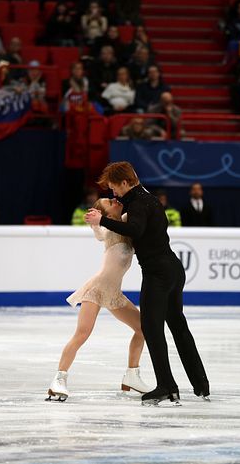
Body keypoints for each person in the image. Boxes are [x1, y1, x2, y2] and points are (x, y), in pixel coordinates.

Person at [84, 163, 209, 406]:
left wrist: (102, 220)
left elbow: (135, 229)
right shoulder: (147, 198)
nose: (113, 194)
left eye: (114, 188)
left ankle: (166, 387)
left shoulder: (139, 202)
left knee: (151, 328)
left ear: (124, 182)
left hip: (158, 273)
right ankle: (201, 383)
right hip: (173, 268)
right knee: (178, 326)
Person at [48, 196, 152, 402]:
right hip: (96, 290)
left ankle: (132, 375)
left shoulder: (126, 222)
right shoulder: (110, 229)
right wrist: (96, 224)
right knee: (82, 334)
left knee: (143, 328)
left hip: (113, 293)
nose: (115, 200)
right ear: (106, 214)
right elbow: (100, 234)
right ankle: (59, 379)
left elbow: (140, 206)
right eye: (110, 203)